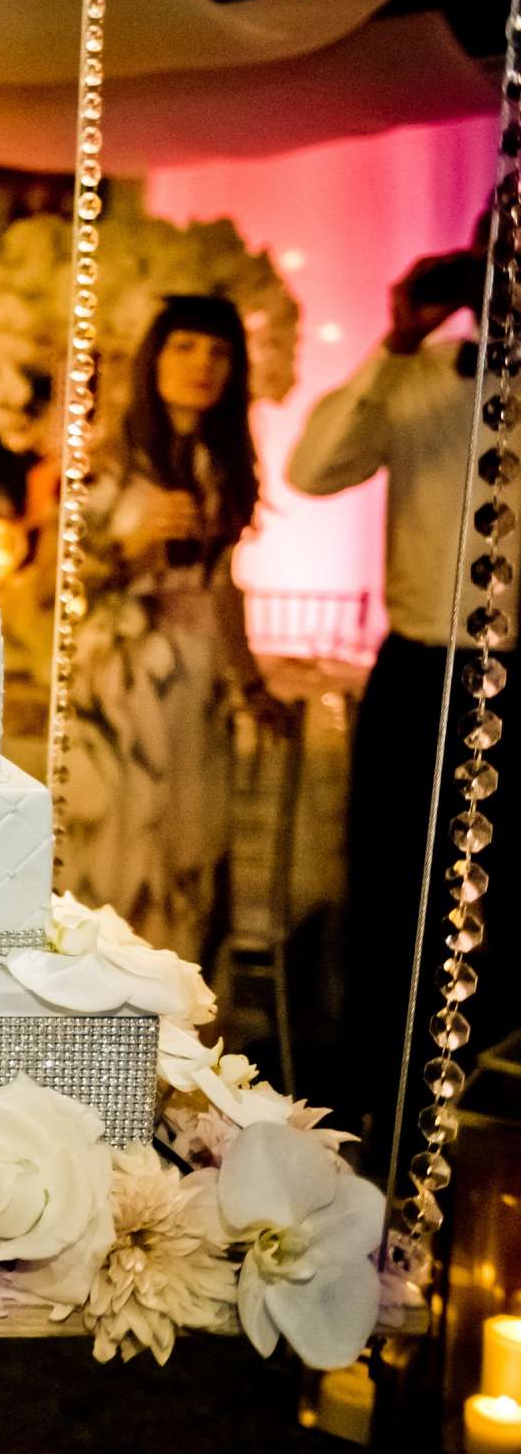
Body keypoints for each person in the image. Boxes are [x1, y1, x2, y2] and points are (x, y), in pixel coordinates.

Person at [288, 212, 513, 1170]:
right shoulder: (417, 381)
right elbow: (313, 468)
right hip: (423, 672)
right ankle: (383, 1116)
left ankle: (491, 1118)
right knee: (391, 897)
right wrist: (395, 341)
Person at [67, 295, 267, 961]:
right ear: (155, 358)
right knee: (119, 847)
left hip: (196, 676)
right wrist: (133, 548)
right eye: (183, 347)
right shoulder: (105, 460)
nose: (201, 365)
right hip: (119, 675)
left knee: (188, 841)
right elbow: (50, 584)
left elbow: (221, 584)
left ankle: (169, 1022)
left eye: (217, 352)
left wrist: (251, 680)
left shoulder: (223, 463)